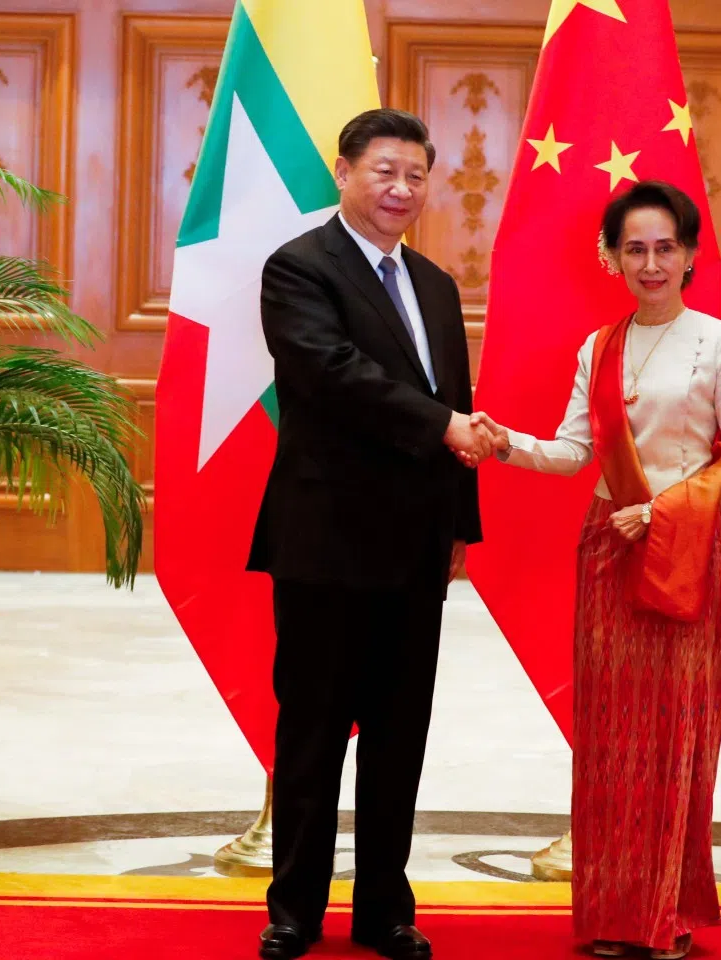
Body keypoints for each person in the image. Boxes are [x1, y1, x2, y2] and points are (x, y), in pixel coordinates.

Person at [472, 181, 721, 960]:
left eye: (666, 246)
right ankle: (610, 913)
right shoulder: (598, 347)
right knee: (609, 737)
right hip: (608, 544)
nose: (651, 262)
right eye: (634, 248)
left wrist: (663, 510)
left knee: (671, 736)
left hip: (683, 549)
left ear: (691, 255)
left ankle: (662, 915)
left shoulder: (717, 342)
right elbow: (574, 452)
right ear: (612, 258)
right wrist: (505, 443)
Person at [247, 108, 489, 960]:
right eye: (384, 171)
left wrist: (460, 524)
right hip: (325, 540)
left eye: (417, 175)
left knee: (399, 737)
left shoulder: (434, 284)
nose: (401, 189)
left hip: (415, 548)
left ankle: (387, 908)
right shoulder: (298, 269)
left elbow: (452, 397)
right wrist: (446, 429)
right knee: (311, 733)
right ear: (344, 172)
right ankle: (295, 913)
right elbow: (332, 377)